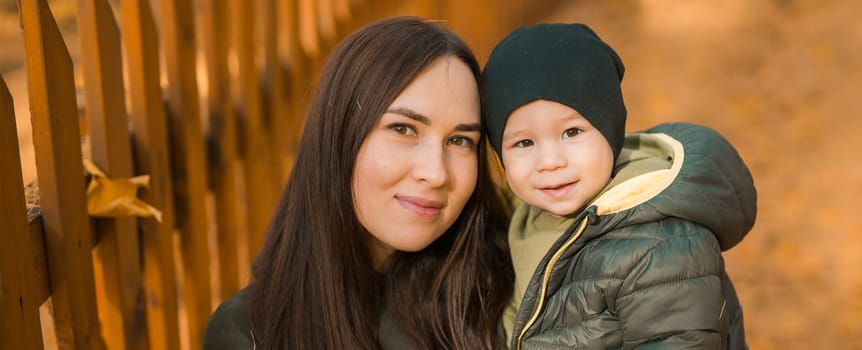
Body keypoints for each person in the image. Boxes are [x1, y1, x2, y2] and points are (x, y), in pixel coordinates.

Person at [203, 17, 514, 349]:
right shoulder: (249, 333)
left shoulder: (515, 290)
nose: (436, 173)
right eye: (404, 129)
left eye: (460, 141)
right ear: (340, 134)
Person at [481, 23, 757, 349]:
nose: (549, 161)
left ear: (609, 133)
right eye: (524, 142)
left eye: (571, 132)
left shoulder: (659, 248)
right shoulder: (521, 220)